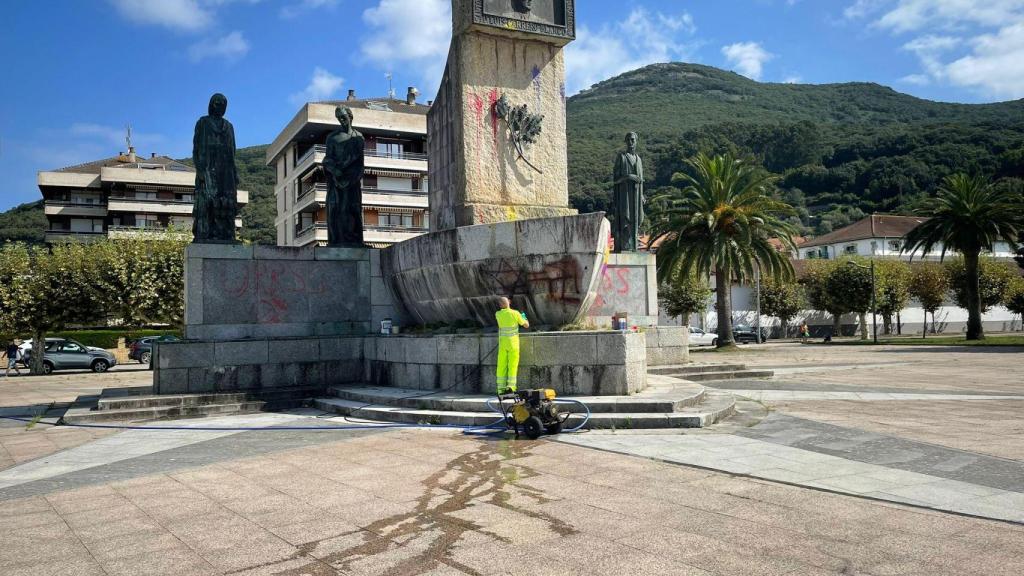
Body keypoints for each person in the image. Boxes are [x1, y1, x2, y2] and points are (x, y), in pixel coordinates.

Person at [495, 297, 529, 395]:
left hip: (503, 345)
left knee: (501, 366)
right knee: (512, 366)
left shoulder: (498, 314)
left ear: (500, 305)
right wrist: (524, 316)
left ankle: (500, 389)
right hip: (513, 345)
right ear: (509, 302)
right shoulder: (516, 313)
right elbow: (526, 325)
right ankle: (511, 387)